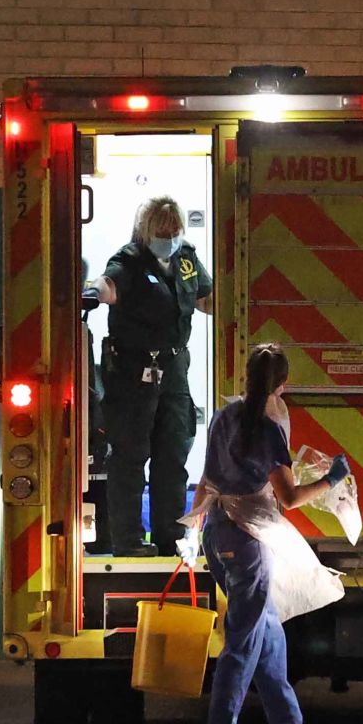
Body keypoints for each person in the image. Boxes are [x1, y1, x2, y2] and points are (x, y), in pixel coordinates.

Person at [192, 343, 350, 724]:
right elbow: (291, 497)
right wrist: (333, 480)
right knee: (243, 639)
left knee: (268, 631)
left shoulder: (225, 416)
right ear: (284, 384)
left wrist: (193, 526)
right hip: (249, 540)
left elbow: (206, 479)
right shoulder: (269, 428)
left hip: (218, 532)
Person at [88, 196, 213, 557]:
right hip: (131, 374)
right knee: (129, 458)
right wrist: (94, 293)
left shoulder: (186, 259)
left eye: (174, 231)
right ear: (146, 231)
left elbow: (205, 299)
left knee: (173, 455)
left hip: (173, 371)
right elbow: (109, 285)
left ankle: (168, 536)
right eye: (162, 232)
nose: (169, 237)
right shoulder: (129, 260)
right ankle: (127, 541)